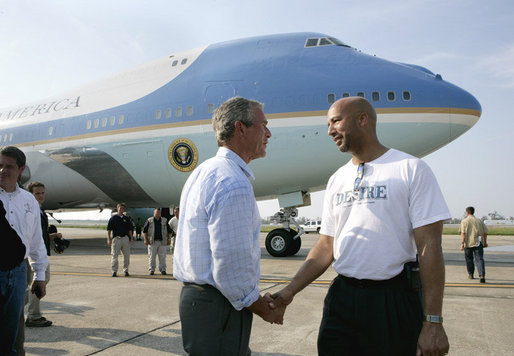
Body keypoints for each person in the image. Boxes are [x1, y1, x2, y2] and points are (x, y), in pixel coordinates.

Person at [270, 97, 451, 355]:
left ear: (362, 120)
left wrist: (433, 322)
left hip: (393, 300)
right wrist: (290, 290)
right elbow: (326, 246)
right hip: (342, 299)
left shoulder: (410, 169)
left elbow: (430, 246)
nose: (329, 130)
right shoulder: (337, 179)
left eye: (336, 121)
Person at [173, 97, 281, 355]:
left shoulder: (204, 171)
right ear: (240, 129)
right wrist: (263, 308)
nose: (268, 133)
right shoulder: (232, 182)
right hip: (220, 305)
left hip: (199, 301)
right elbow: (231, 269)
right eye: (262, 125)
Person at [0, 146, 48, 355]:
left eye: (9, 166)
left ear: (21, 170)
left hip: (20, 272)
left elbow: (36, 240)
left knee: (13, 329)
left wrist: (39, 275)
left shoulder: (29, 201)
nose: (2, 170)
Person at [24, 182, 63, 327]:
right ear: (30, 195)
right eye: (37, 193)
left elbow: (39, 233)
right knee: (39, 281)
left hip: (41, 252)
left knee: (35, 282)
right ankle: (33, 315)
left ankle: (20, 310)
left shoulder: (40, 211)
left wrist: (52, 236)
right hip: (34, 254)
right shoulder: (31, 211)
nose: (40, 196)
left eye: (42, 193)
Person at [460, 206, 488, 283]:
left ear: (467, 212)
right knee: (479, 259)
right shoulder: (479, 221)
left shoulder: (464, 221)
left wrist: (462, 243)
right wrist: (485, 242)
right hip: (478, 243)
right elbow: (485, 233)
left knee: (469, 259)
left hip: (468, 243)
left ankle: (471, 274)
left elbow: (463, 233)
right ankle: (481, 274)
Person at [107, 203, 134, 277]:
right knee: (114, 256)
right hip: (116, 239)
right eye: (120, 208)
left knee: (126, 256)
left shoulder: (126, 219)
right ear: (117, 208)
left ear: (124, 209)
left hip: (125, 239)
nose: (121, 209)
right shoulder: (113, 218)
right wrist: (109, 239)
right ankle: (114, 271)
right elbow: (109, 230)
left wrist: (131, 238)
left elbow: (130, 230)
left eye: (122, 208)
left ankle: (126, 271)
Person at [143, 208, 172, 275]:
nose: (158, 214)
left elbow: (169, 231)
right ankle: (151, 269)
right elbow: (145, 231)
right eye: (157, 212)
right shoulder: (149, 220)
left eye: (159, 212)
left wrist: (169, 239)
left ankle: (163, 269)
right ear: (154, 213)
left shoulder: (164, 220)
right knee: (151, 256)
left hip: (162, 242)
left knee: (162, 256)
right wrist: (145, 239)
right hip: (152, 241)